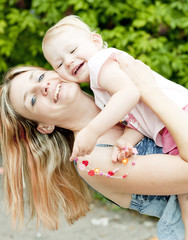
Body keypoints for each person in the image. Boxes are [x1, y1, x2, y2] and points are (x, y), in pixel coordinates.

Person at [1, 60, 188, 239]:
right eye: (32, 99)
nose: (43, 87)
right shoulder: (91, 160)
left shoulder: (124, 96)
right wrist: (150, 91)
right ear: (45, 126)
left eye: (40, 77)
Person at [42, 15, 188, 237]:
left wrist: (92, 131)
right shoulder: (101, 90)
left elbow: (130, 93)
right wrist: (127, 140)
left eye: (72, 49)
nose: (69, 61)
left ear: (95, 41)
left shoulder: (101, 64)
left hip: (178, 113)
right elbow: (139, 118)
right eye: (59, 63)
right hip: (169, 124)